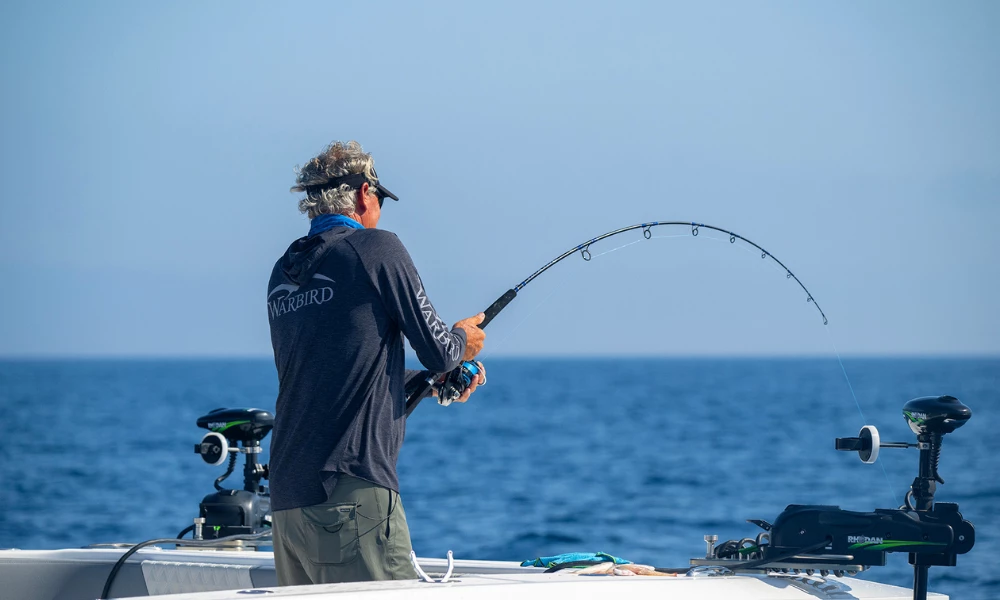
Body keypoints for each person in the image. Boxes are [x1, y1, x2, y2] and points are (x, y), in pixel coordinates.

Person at [266, 141, 486, 585]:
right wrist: (465, 340)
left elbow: (337, 373)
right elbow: (440, 349)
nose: (381, 208)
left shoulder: (285, 272)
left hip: (288, 502)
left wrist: (428, 381)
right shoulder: (376, 248)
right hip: (350, 494)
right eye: (381, 198)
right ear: (365, 193)